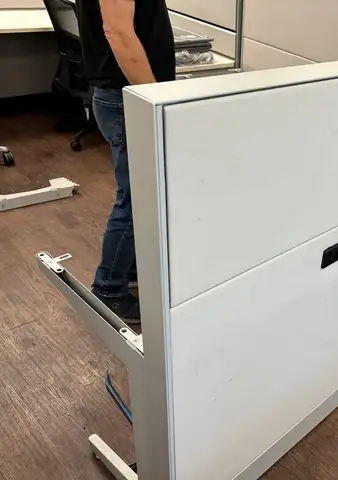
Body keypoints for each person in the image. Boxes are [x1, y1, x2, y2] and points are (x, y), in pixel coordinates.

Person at [76, 0, 176, 321]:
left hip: (124, 93)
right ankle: (109, 290)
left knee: (140, 195)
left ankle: (131, 270)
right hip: (127, 96)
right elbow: (117, 32)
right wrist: (157, 100)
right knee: (135, 200)